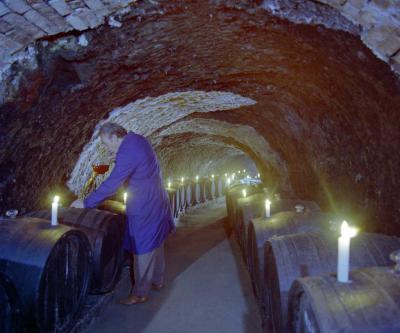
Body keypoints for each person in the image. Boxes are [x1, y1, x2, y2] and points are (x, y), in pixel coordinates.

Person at [71, 122, 175, 305]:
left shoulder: (127, 152)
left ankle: (140, 293)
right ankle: (158, 280)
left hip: (145, 204)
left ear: (114, 136)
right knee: (156, 241)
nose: (105, 146)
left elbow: (112, 184)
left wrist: (86, 202)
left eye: (105, 142)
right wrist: (116, 154)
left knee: (142, 247)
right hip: (158, 198)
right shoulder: (137, 139)